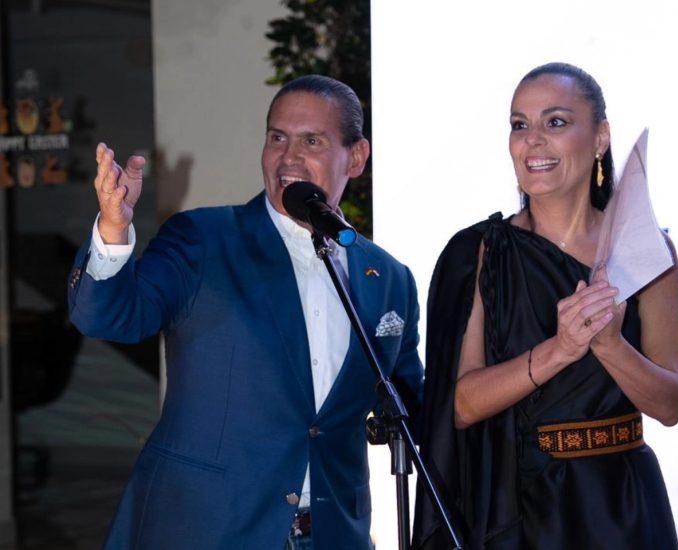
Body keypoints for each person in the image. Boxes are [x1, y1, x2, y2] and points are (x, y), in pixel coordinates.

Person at [67, 75, 424, 550]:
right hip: (209, 530)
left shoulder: (388, 278)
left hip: (333, 535)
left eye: (311, 141)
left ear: (356, 157)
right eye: (277, 137)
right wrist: (113, 232)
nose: (288, 157)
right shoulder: (204, 239)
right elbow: (108, 317)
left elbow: (415, 409)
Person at [411, 62, 678, 550]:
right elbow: (456, 407)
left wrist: (611, 347)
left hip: (622, 508)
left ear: (600, 137)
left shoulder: (646, 251)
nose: (532, 140)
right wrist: (560, 350)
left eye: (555, 122)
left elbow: (671, 405)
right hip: (516, 510)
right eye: (519, 125)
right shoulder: (478, 253)